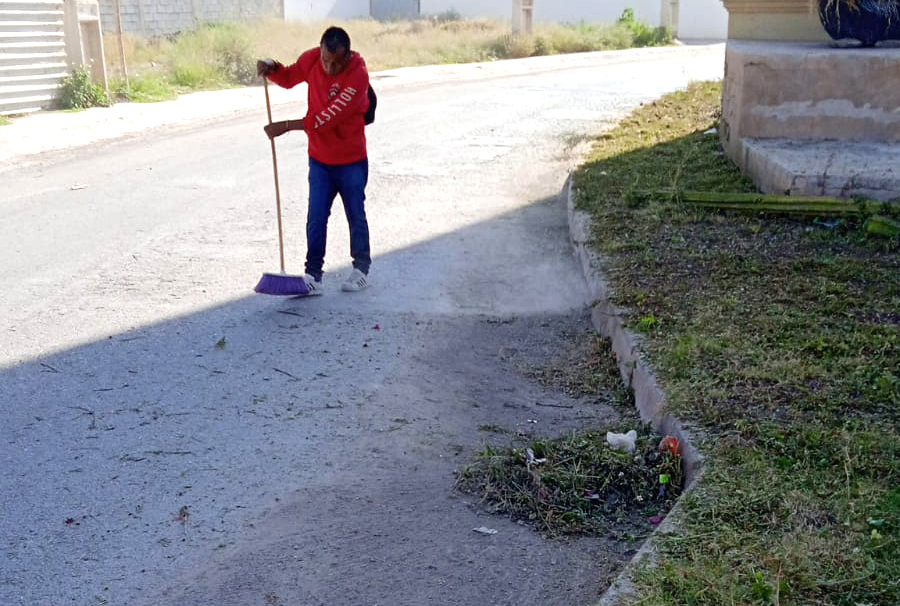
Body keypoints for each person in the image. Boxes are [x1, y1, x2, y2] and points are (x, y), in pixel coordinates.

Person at [257, 26, 371, 294]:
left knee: (355, 214)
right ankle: (313, 275)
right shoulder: (311, 59)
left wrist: (284, 126)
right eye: (325, 59)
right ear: (319, 50)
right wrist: (272, 67)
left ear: (348, 56)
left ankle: (361, 269)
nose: (329, 67)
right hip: (319, 158)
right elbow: (288, 76)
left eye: (336, 62)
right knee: (316, 215)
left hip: (351, 159)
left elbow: (327, 118)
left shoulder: (358, 75)